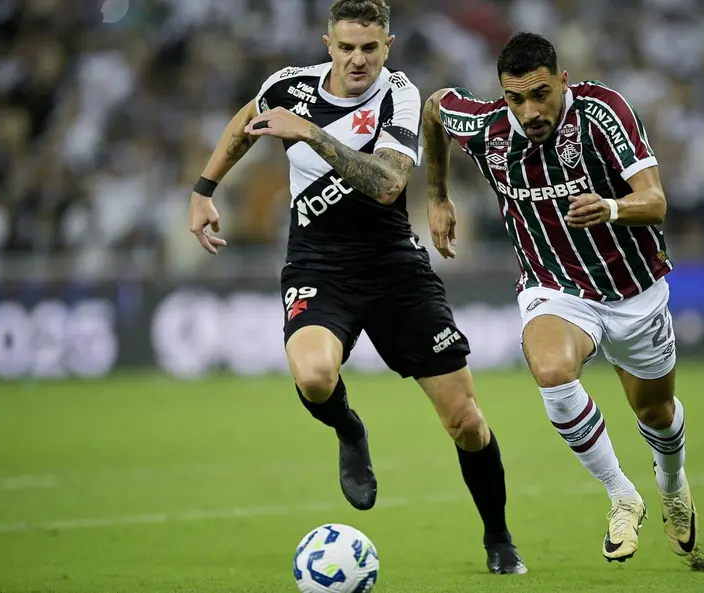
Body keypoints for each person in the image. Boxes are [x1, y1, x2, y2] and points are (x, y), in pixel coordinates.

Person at [187, 0, 526, 575]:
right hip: (318, 265)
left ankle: (498, 537)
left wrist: (309, 132)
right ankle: (349, 429)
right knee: (314, 376)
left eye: (370, 47)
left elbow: (389, 183)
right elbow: (247, 122)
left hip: (394, 268)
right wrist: (203, 189)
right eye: (346, 48)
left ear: (387, 46)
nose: (358, 59)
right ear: (329, 45)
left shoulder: (399, 95)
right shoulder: (288, 86)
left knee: (466, 421)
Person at [421, 31, 697, 563]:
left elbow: (655, 200)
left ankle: (672, 484)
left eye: (540, 94)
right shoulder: (487, 128)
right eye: (516, 98)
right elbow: (434, 108)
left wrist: (611, 208)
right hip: (555, 287)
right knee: (550, 371)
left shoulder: (602, 113)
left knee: (656, 411)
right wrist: (437, 196)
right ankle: (622, 495)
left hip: (633, 289)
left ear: (562, 81)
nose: (529, 111)